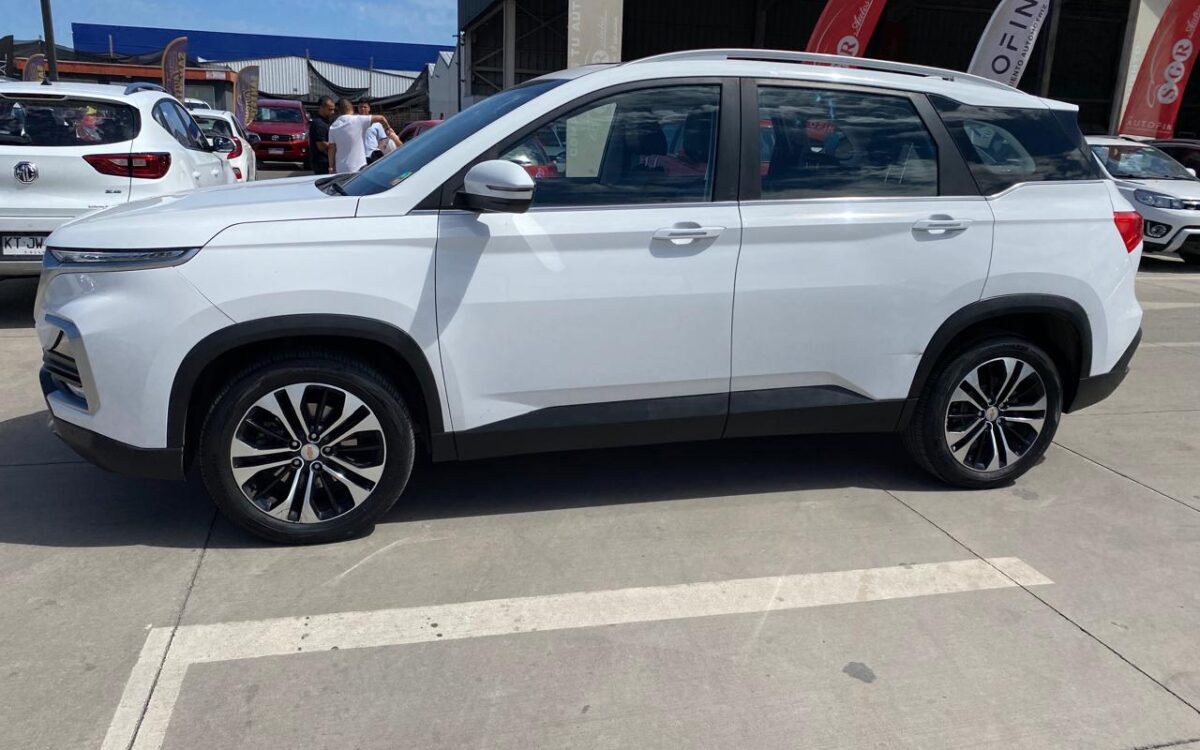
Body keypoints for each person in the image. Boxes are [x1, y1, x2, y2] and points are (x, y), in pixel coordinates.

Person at [327, 98, 395, 173]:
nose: (362, 109)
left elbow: (331, 148)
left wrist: (331, 166)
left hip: (341, 167)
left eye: (365, 107)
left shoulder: (333, 126)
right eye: (360, 107)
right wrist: (388, 128)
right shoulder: (358, 120)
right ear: (351, 108)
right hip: (359, 167)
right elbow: (381, 118)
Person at [309, 96, 336, 175]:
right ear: (321, 108)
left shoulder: (326, 121)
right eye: (330, 109)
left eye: (333, 109)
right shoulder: (319, 124)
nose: (333, 112)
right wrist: (336, 145)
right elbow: (321, 146)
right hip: (322, 163)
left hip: (326, 162)